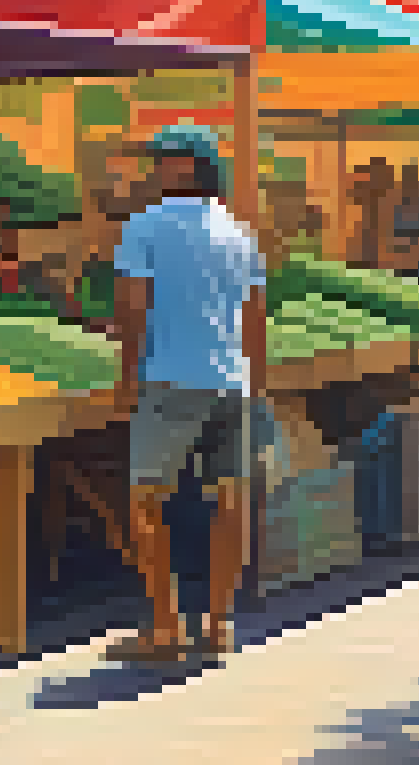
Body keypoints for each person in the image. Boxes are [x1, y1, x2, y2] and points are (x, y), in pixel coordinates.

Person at [107, 125, 267, 665]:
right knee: (232, 503)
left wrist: (127, 377)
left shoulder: (143, 228)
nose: (152, 170)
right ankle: (216, 629)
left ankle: (167, 630)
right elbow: (254, 319)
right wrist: (255, 383)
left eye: (161, 161)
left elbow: (131, 311)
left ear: (187, 168)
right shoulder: (241, 235)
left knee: (145, 505)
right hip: (232, 384)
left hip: (169, 381)